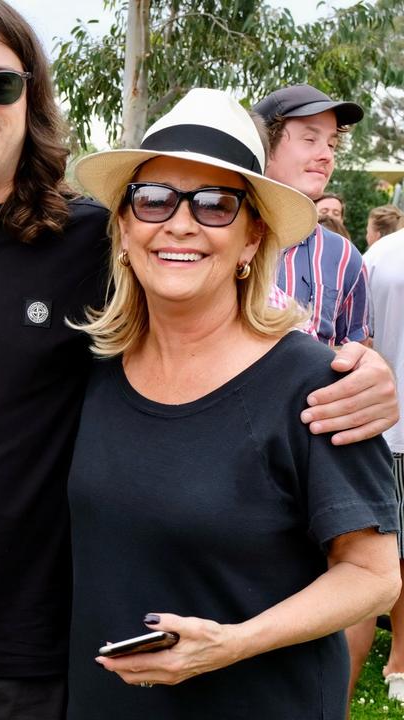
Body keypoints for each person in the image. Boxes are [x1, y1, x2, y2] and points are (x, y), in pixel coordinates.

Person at [0, 2, 399, 717]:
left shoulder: (86, 241)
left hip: (34, 662)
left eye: (2, 85)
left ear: (31, 101)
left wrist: (368, 376)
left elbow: (206, 312)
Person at [67, 87, 400, 719]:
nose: (181, 222)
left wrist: (232, 644)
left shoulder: (315, 384)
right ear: (124, 228)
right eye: (155, 198)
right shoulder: (92, 372)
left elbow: (372, 575)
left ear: (252, 240)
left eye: (217, 204)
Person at [254, 85, 370, 347]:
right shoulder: (216, 237)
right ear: (264, 146)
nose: (326, 155)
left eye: (332, 144)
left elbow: (356, 352)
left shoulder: (344, 257)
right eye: (310, 140)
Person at [353, 216, 404, 703]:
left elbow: (361, 341)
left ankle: (398, 661)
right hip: (385, 430)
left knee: (378, 555)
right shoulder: (379, 256)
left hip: (381, 430)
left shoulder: (378, 255)